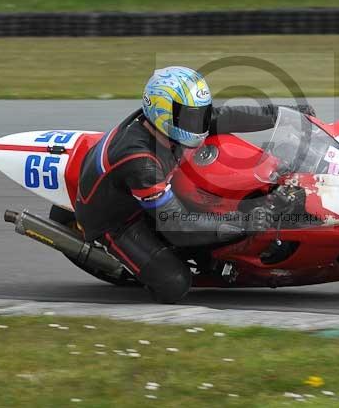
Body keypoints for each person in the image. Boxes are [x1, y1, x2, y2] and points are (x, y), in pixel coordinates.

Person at [74, 66, 314, 303]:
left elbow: (226, 117)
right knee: (175, 284)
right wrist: (245, 222)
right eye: (192, 116)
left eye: (202, 114)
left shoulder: (172, 125)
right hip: (117, 219)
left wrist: (285, 115)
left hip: (146, 187)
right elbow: (176, 225)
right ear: (163, 114)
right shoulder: (142, 163)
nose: (200, 123)